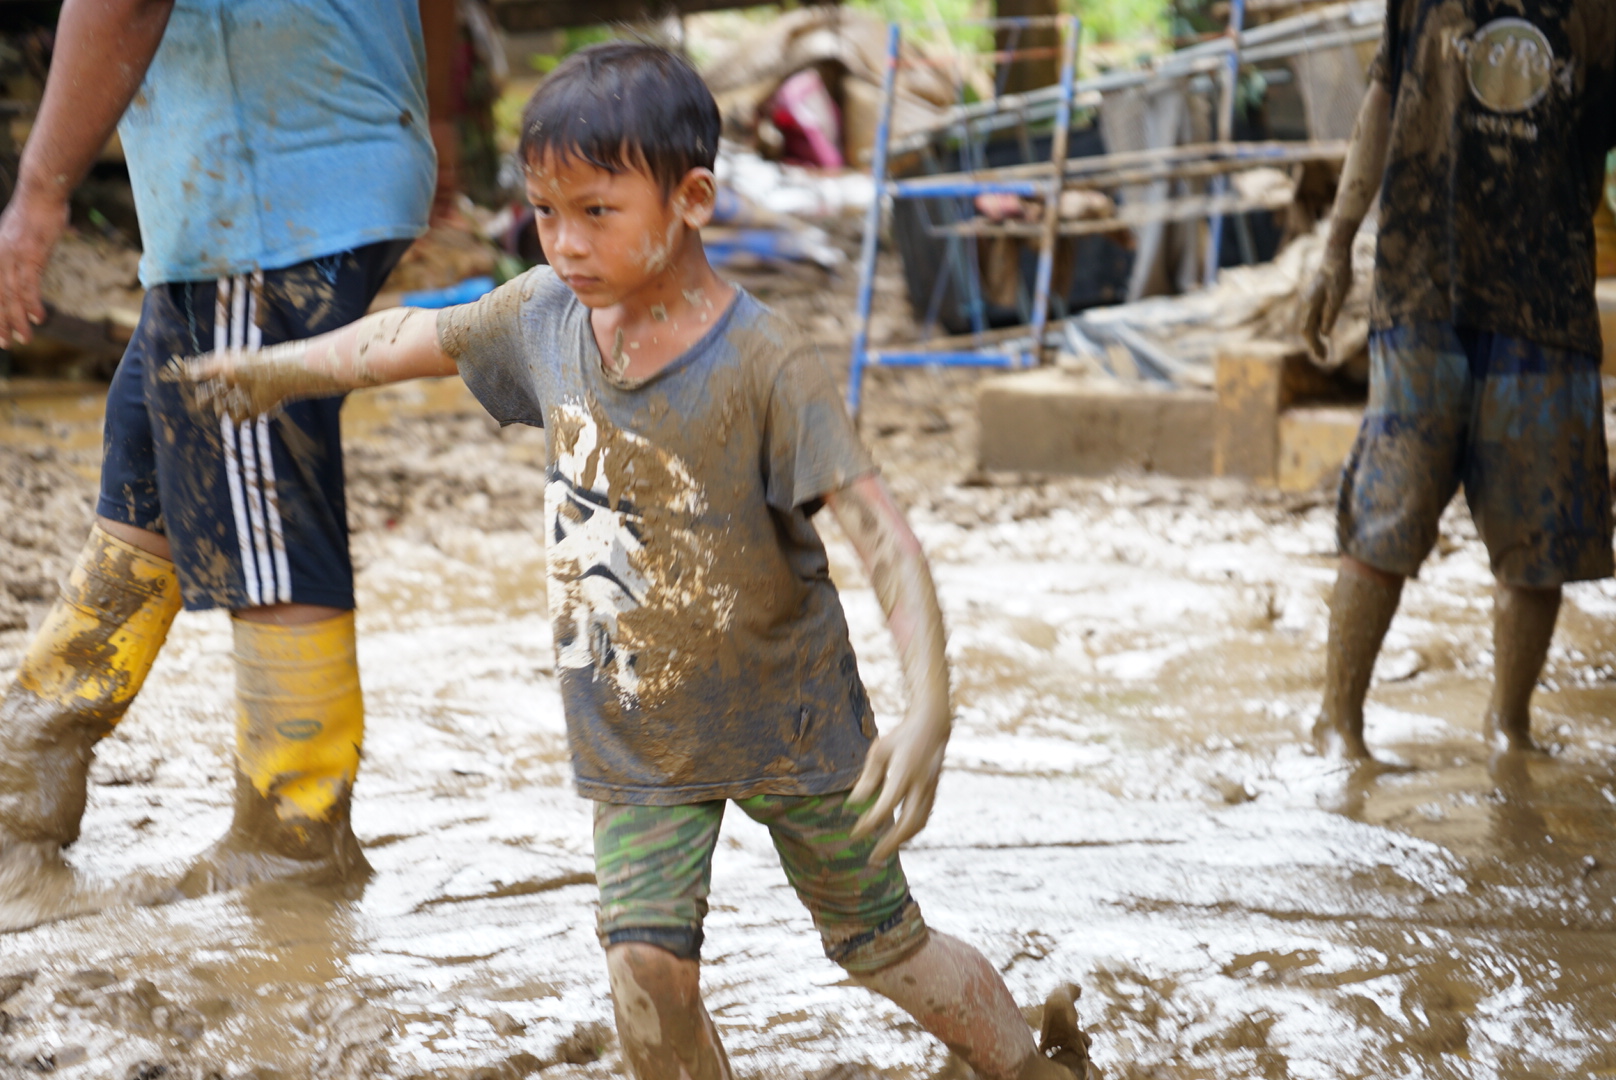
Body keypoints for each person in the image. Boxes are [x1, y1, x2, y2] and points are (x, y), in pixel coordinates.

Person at [190, 41, 1094, 1080]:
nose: (565, 242)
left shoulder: (765, 363)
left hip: (793, 723)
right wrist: (278, 371)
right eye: (545, 211)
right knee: (644, 968)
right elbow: (410, 338)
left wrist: (929, 705)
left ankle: (1036, 1068)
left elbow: (881, 536)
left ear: (691, 200)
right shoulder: (543, 317)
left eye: (597, 211)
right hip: (636, 737)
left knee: (884, 950)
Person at [0, 0, 434, 894]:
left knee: (262, 515)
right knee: (152, 471)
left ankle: (293, 839)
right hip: (313, 160)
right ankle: (23, 787)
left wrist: (39, 189)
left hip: (263, 189)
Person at [1302, 1, 1616, 762]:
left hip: (1546, 298)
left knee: (1540, 526)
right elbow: (1383, 97)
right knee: (1389, 507)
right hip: (1422, 280)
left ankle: (1510, 725)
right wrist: (1337, 244)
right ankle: (1337, 723)